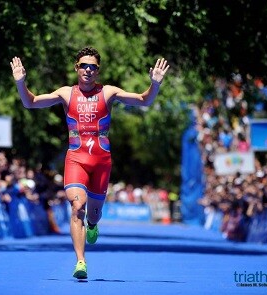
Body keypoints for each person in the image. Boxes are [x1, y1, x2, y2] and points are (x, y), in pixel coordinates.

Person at [10, 46, 170, 279]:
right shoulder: (66, 93)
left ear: (98, 71)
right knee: (77, 207)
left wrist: (155, 84)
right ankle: (81, 262)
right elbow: (31, 102)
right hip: (76, 159)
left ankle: (93, 225)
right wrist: (20, 82)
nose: (87, 69)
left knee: (93, 214)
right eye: (83, 65)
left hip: (101, 162)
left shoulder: (108, 92)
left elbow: (144, 101)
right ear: (76, 68)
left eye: (92, 67)